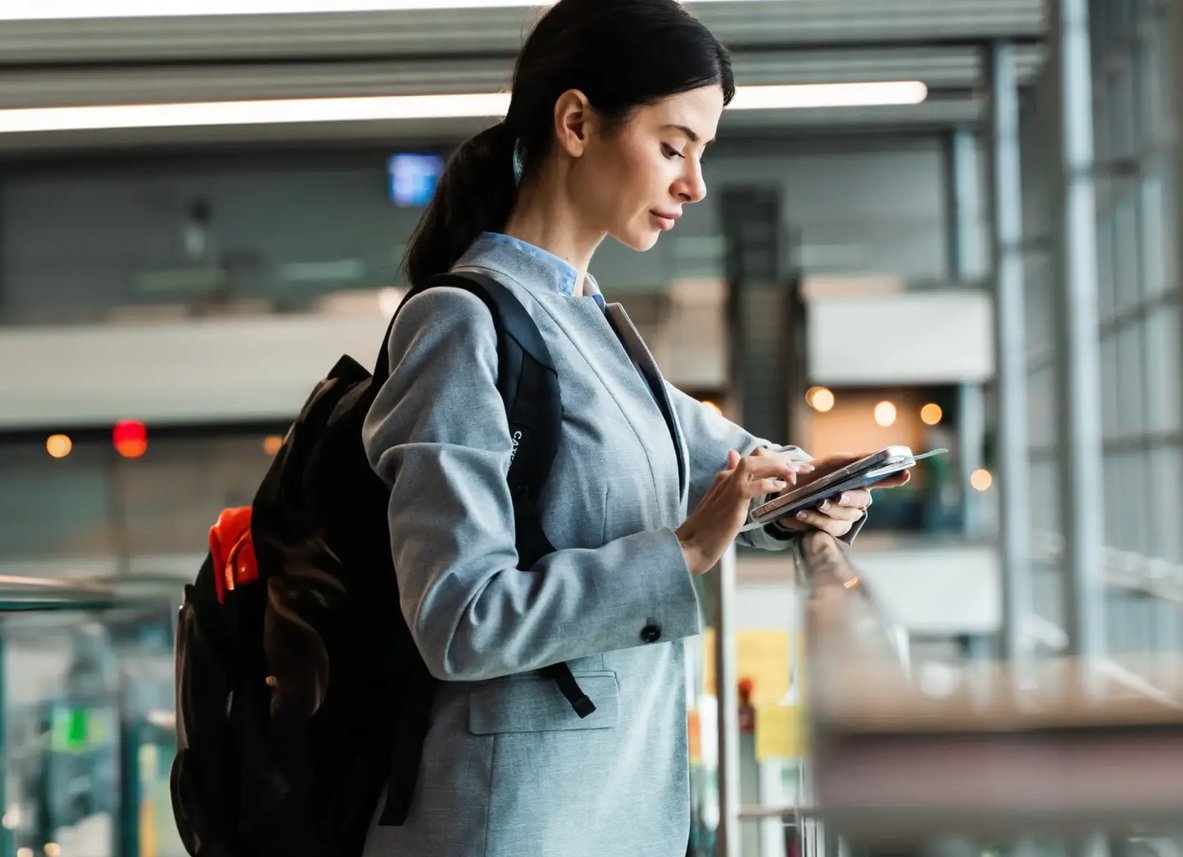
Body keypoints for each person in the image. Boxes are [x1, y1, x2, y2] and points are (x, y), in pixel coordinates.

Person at [359, 1, 900, 854]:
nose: (695, 184)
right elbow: (460, 617)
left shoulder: (594, 326)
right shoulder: (462, 323)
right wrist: (681, 552)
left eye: (701, 153)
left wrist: (816, 491)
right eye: (673, 147)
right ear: (576, 123)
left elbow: (734, 464)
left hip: (611, 814)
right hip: (515, 827)